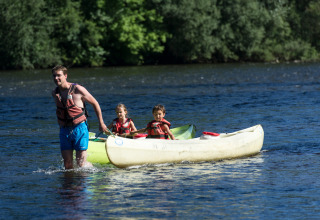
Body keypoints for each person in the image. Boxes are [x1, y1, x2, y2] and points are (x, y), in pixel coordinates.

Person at [51, 65, 108, 169]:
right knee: (67, 165)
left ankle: (91, 173)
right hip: (64, 130)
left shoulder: (78, 89)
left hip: (79, 128)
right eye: (54, 76)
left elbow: (95, 103)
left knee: (81, 164)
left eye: (59, 75)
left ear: (65, 76)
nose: (56, 78)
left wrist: (101, 123)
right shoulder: (55, 93)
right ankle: (69, 184)